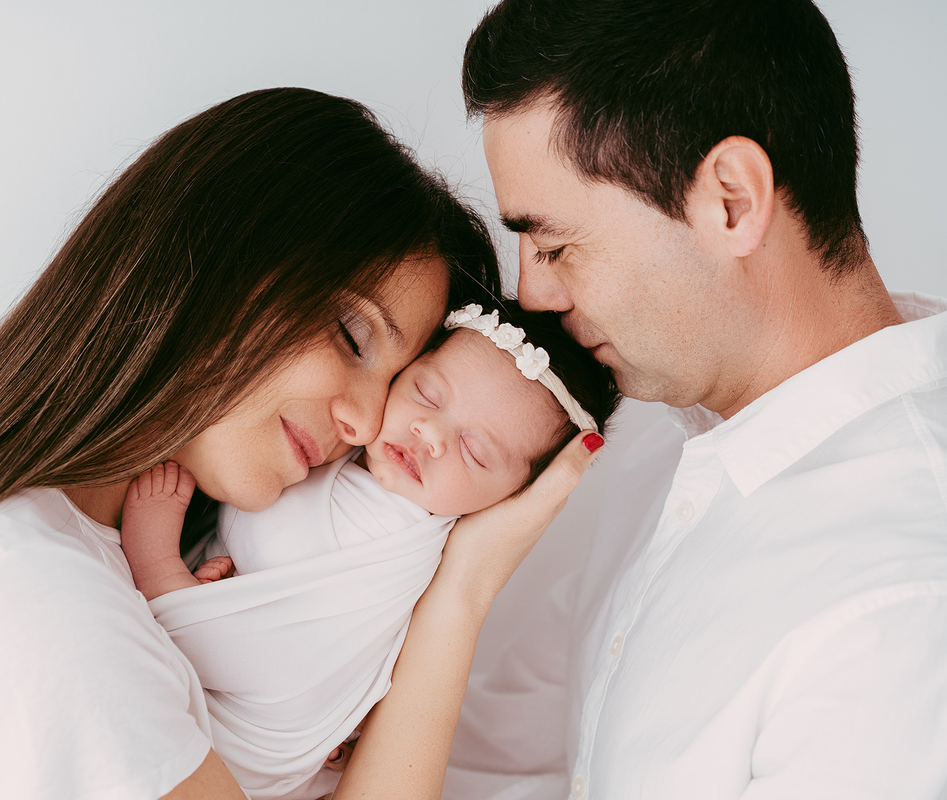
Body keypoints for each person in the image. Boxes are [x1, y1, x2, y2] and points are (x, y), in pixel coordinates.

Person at [0, 86, 606, 800]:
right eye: (351, 335)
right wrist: (460, 597)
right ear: (222, 261)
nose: (367, 423)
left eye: (398, 377)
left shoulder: (62, 556)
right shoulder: (48, 616)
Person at [444, 1, 947, 798]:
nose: (531, 293)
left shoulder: (899, 609)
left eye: (555, 244)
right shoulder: (654, 438)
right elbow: (511, 766)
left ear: (732, 201)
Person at [120, 303, 619, 799]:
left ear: (511, 497)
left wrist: (159, 558)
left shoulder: (383, 528)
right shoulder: (354, 457)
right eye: (426, 393)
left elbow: (277, 668)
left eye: (475, 453)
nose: (431, 435)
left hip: (233, 745)